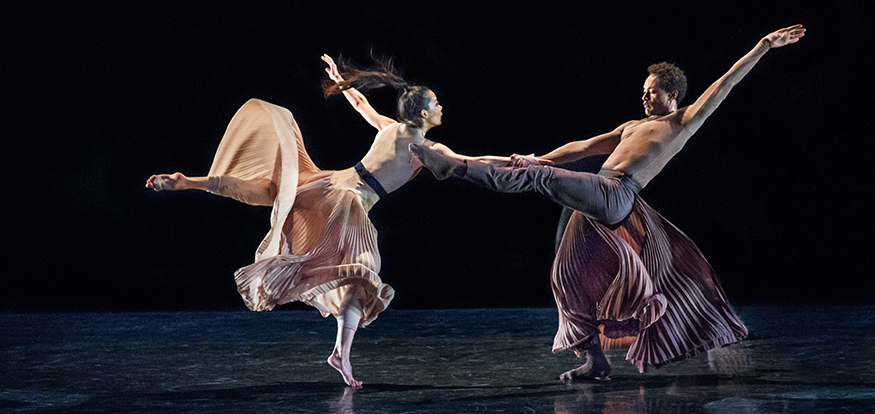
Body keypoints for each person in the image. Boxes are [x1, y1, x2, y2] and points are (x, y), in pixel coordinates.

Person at [411, 24, 805, 380]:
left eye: (652, 91)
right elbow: (583, 147)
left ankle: (451, 169)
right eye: (644, 90)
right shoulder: (632, 126)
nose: (645, 96)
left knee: (537, 176)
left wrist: (763, 46)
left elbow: (725, 85)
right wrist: (542, 156)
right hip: (593, 195)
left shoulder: (683, 120)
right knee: (566, 276)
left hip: (618, 195)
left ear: (672, 94)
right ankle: (594, 361)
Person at [145, 54, 518, 387]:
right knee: (361, 273)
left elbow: (362, 107)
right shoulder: (426, 148)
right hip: (348, 200)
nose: (441, 107)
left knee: (276, 189)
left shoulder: (390, 128)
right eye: (436, 103)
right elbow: (476, 161)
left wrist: (342, 81)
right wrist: (521, 159)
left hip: (329, 181)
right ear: (422, 113)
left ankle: (194, 182)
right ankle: (337, 347)